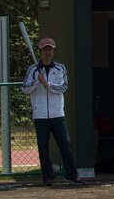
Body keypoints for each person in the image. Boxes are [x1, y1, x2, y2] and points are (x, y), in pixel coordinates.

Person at [21, 37, 81, 185]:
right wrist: (37, 82)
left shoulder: (60, 68)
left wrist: (48, 84)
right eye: (44, 49)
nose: (47, 52)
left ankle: (72, 174)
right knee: (43, 147)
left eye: (50, 49)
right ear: (40, 52)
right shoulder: (32, 70)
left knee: (65, 144)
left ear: (54, 51)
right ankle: (48, 176)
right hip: (40, 114)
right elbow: (24, 89)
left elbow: (63, 86)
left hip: (57, 113)